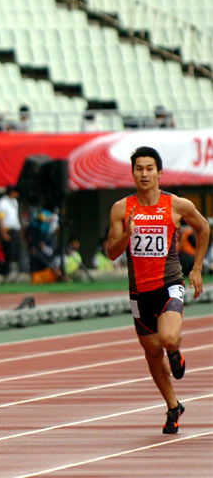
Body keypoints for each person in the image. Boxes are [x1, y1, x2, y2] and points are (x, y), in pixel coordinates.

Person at [105, 146, 209, 435]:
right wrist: (126, 235)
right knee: (152, 353)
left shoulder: (177, 205)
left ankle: (175, 350)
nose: (144, 173)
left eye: (150, 168)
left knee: (168, 338)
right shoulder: (121, 209)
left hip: (169, 284)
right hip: (139, 292)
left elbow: (203, 228)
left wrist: (197, 268)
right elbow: (111, 253)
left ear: (159, 173)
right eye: (139, 168)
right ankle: (173, 406)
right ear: (133, 173)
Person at [0, 184, 21, 281]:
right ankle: (6, 274)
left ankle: (14, 273)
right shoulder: (2, 202)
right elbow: (0, 218)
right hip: (7, 230)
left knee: (15, 252)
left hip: (15, 230)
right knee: (8, 253)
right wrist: (3, 233)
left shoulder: (14, 201)